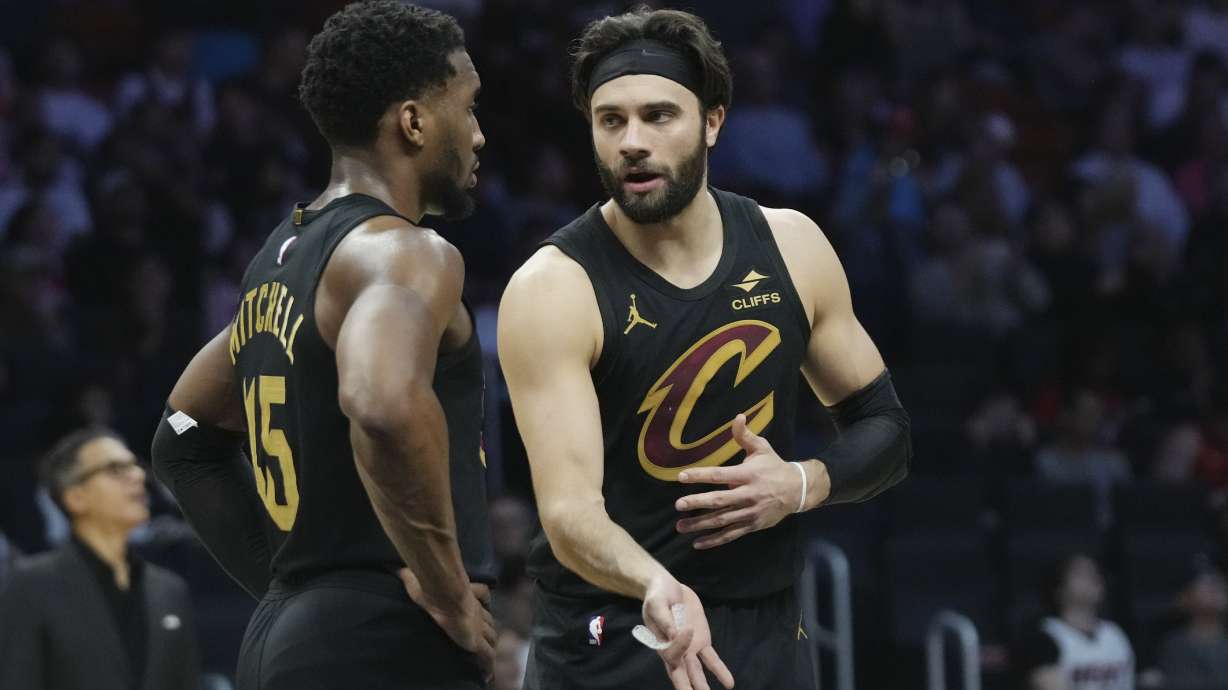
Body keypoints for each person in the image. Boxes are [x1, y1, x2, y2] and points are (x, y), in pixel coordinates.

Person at [497, 8, 911, 690]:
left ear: (713, 122)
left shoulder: (791, 246)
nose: (632, 141)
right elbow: (569, 513)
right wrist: (656, 582)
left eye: (659, 116)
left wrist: (800, 484)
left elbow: (886, 430)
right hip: (617, 627)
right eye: (611, 121)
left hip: (766, 626)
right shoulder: (553, 288)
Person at [148, 2, 495, 688]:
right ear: (414, 121)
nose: (480, 135)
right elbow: (382, 404)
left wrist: (293, 590)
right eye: (470, 106)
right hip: (384, 637)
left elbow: (181, 434)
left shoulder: (283, 263)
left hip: (292, 637)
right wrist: (451, 595)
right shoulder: (403, 252)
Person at [0, 428, 200, 690]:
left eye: (134, 465)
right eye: (116, 469)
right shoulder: (30, 585)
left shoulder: (170, 590)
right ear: (76, 497)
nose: (138, 476)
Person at [1015, 553, 1136, 690]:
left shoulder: (1117, 632)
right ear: (1059, 590)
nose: (1093, 578)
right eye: (1081, 574)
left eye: (1095, 572)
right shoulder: (1043, 636)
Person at [1158, 559, 1228, 690]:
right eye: (1205, 584)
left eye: (1220, 583)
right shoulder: (1174, 645)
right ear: (1185, 597)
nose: (1215, 588)